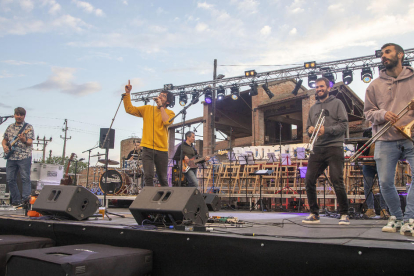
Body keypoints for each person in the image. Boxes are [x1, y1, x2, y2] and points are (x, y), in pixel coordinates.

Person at [364, 43, 414, 235]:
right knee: (385, 182)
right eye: (382, 54)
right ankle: (397, 218)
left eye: (388, 52)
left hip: (411, 136)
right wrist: (383, 114)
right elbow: (368, 113)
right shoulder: (374, 85)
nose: (383, 56)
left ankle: (410, 218)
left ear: (400, 54)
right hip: (385, 138)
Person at [302, 77, 350, 225]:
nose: (319, 89)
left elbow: (344, 125)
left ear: (329, 88)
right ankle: (314, 213)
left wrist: (326, 130)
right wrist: (310, 130)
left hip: (334, 146)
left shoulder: (337, 103)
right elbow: (308, 128)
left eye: (322, 87)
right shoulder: (313, 108)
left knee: (337, 180)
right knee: (309, 180)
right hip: (317, 148)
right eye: (317, 87)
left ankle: (344, 214)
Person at [123, 80, 175, 187]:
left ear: (168, 102)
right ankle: (149, 201)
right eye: (160, 95)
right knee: (148, 176)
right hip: (147, 148)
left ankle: (166, 200)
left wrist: (161, 107)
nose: (160, 97)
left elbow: (166, 122)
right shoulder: (147, 109)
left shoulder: (170, 113)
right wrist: (128, 94)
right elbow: (129, 109)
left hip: (162, 150)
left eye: (163, 96)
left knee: (162, 178)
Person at [2, 107, 34, 206]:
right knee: (10, 179)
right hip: (11, 157)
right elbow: (5, 139)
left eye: (21, 115)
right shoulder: (10, 127)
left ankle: (25, 201)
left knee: (25, 178)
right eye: (17, 114)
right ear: (14, 115)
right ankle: (16, 201)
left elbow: (30, 142)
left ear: (24, 116)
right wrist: (4, 146)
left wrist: (24, 140)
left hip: (24, 156)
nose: (19, 116)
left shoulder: (28, 127)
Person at [359, 129, 389, 219]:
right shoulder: (367, 132)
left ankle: (383, 209)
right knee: (367, 187)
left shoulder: (384, 130)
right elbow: (360, 147)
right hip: (368, 164)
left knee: (383, 185)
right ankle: (370, 209)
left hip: (381, 162)